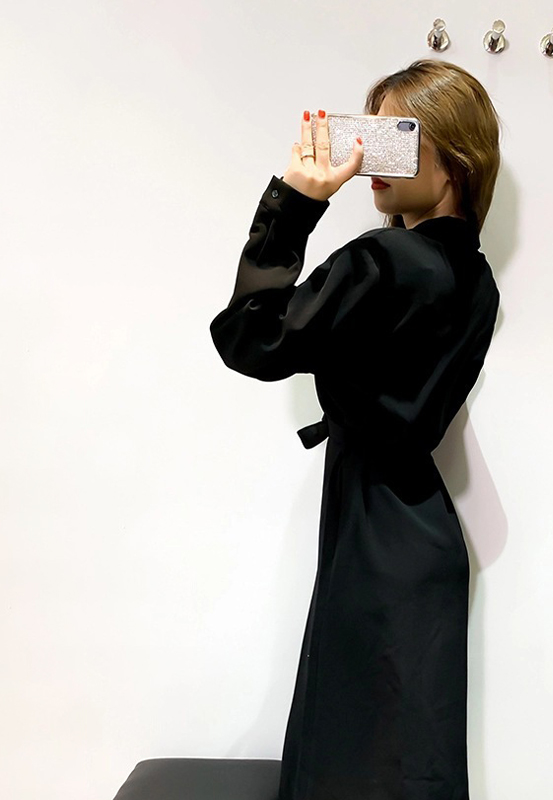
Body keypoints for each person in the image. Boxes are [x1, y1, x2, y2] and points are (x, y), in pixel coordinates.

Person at [210, 59, 501, 800]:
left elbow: (248, 337)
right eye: (366, 133)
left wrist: (295, 204)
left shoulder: (383, 260)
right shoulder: (479, 281)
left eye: (395, 135)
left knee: (349, 760)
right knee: (408, 763)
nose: (369, 154)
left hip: (375, 535)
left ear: (454, 158)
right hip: (418, 532)